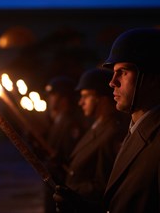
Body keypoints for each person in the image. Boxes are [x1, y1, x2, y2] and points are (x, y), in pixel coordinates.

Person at [54, 28, 160, 213]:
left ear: (153, 78)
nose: (112, 82)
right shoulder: (138, 129)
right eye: (114, 73)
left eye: (123, 72)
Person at [54, 68, 130, 213]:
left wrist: (71, 190)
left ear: (102, 99)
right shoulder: (97, 126)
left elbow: (104, 184)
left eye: (85, 96)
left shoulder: (113, 133)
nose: (80, 102)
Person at [44, 76, 85, 213]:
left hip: (61, 187)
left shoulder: (70, 124)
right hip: (53, 187)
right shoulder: (58, 121)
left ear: (64, 98)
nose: (50, 99)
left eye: (53, 95)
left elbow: (72, 159)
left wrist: (59, 160)